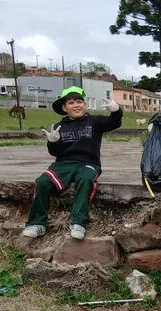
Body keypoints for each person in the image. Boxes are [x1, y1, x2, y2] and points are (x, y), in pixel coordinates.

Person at [22, 86, 122, 240]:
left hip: (88, 163)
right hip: (63, 164)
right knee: (42, 182)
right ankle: (37, 224)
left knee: (85, 180)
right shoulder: (59, 127)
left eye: (79, 101)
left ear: (85, 104)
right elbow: (55, 153)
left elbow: (114, 123)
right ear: (64, 108)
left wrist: (116, 111)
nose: (76, 105)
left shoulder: (94, 121)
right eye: (71, 103)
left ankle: (79, 223)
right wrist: (52, 142)